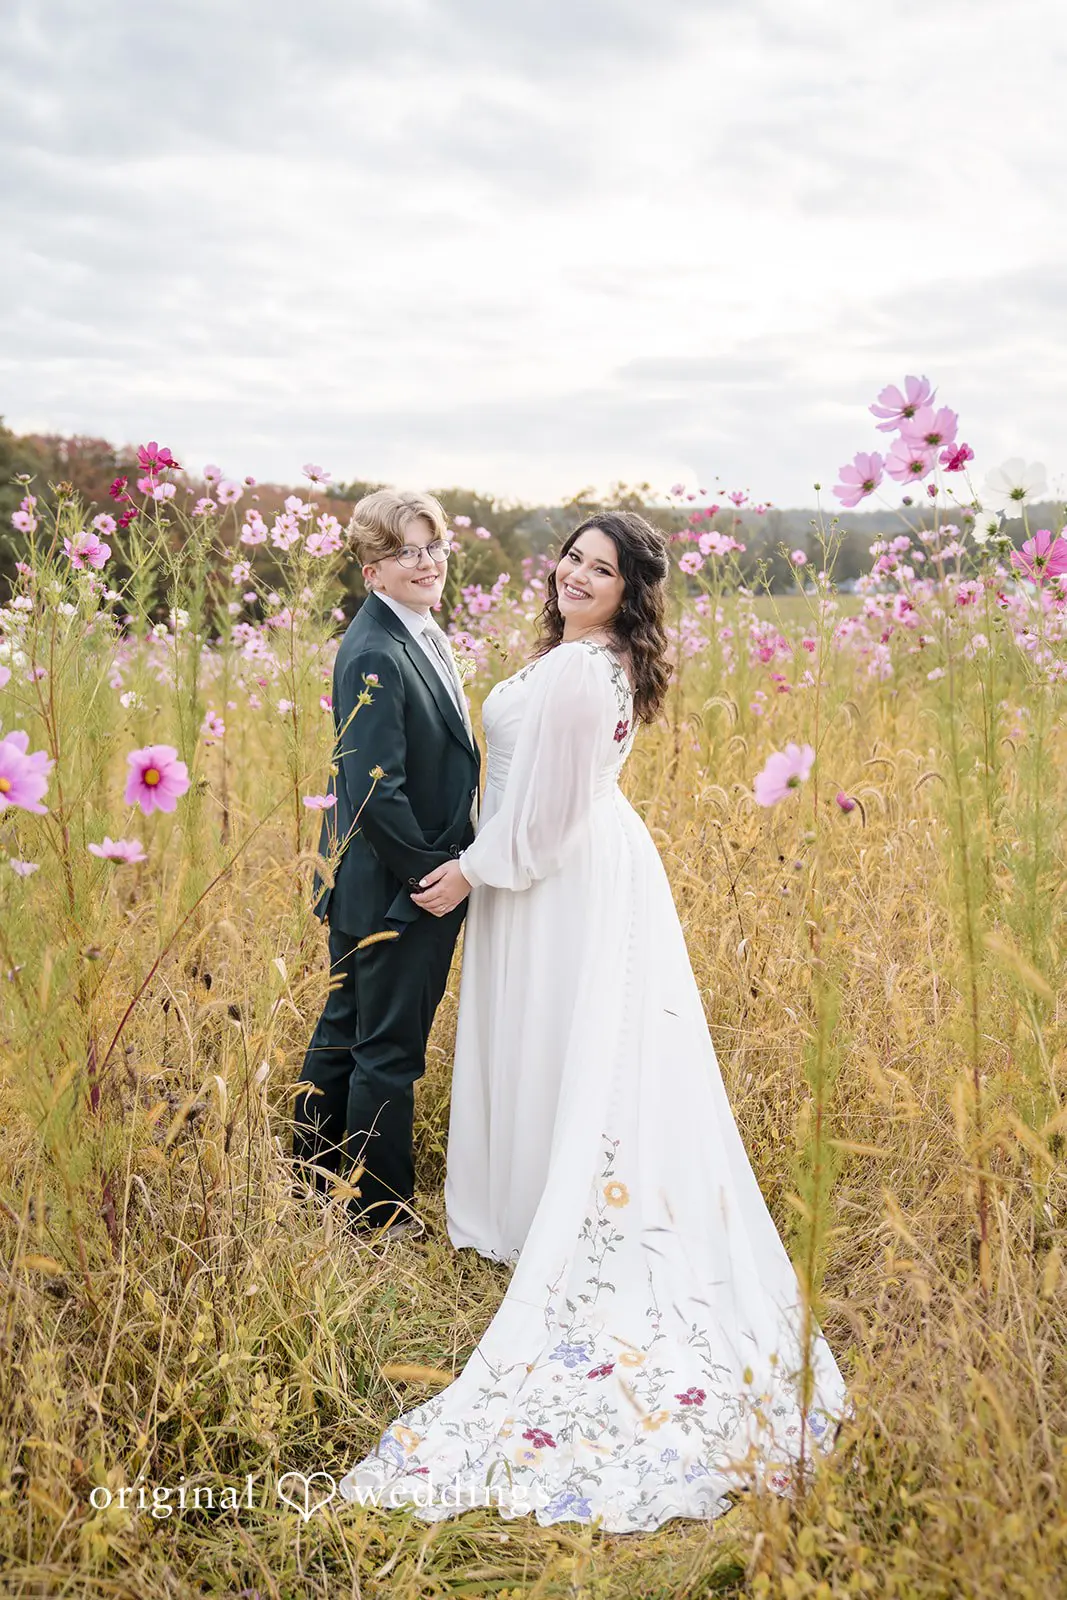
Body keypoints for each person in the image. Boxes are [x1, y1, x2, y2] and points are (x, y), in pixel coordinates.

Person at [337, 511, 850, 1531]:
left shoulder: (581, 671)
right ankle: (534, 1198)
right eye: (571, 557)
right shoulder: (583, 656)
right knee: (563, 1043)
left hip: (559, 876)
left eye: (600, 567)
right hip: (563, 870)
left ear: (629, 591)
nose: (576, 573)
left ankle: (554, 1209)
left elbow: (547, 815)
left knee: (567, 1041)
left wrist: (468, 873)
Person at [293, 490, 480, 1238]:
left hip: (375, 879)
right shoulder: (374, 646)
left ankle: (309, 1181)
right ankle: (378, 1214)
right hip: (399, 884)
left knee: (346, 1032)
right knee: (386, 1052)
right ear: (371, 571)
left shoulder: (416, 629)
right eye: (407, 551)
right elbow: (375, 791)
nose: (427, 562)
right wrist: (429, 877)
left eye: (433, 546)